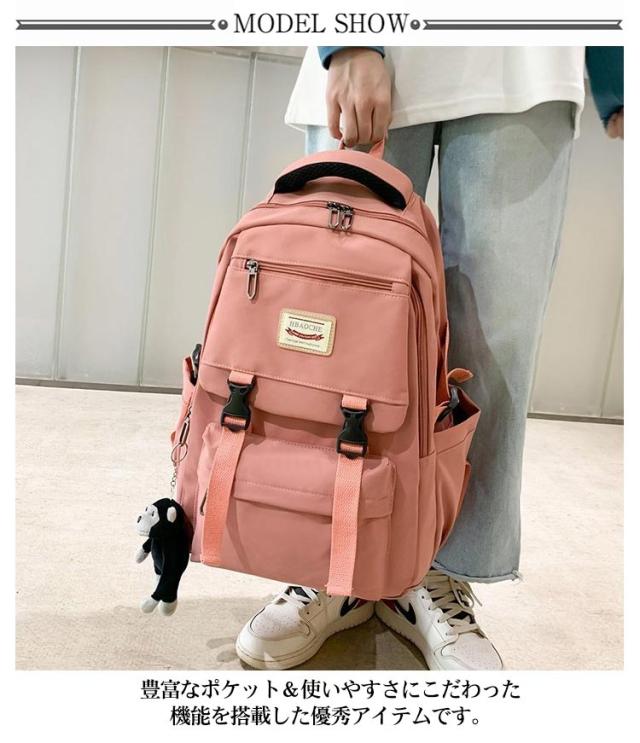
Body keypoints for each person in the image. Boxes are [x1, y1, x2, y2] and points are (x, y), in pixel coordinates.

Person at [235, 46, 624, 671]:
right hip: (388, 36)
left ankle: (440, 573)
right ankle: (330, 561)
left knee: (494, 344)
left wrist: (617, 73)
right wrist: (347, 34)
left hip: (530, 54)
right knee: (337, 336)